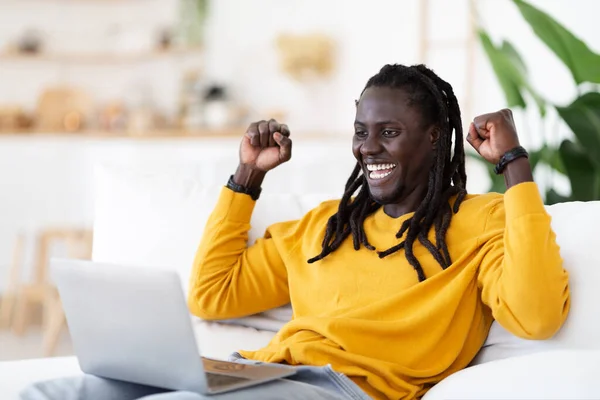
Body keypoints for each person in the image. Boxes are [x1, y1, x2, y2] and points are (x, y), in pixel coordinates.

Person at [21, 64, 570, 400]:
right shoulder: (326, 226)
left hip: (340, 391)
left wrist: (514, 165)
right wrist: (248, 175)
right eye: (361, 132)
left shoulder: (481, 223)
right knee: (48, 392)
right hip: (260, 374)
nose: (369, 148)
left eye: (390, 132)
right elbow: (212, 296)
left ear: (433, 140)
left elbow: (538, 313)